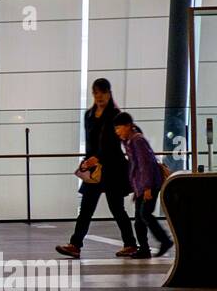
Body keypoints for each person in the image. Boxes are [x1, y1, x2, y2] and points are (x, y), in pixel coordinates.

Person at [56, 78, 137, 260]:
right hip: (94, 168)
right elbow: (91, 142)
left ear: (109, 93)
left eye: (102, 92)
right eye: (96, 93)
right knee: (86, 208)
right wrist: (87, 161)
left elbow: (113, 143)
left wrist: (97, 158)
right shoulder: (89, 115)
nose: (99, 96)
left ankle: (130, 244)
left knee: (116, 208)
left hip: (112, 168)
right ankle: (75, 245)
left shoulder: (116, 115)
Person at [113, 113, 172, 258]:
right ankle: (145, 249)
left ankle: (164, 240)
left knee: (144, 215)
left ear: (128, 126)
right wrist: (137, 189)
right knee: (140, 219)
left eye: (119, 128)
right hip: (143, 185)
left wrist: (146, 188)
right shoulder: (129, 142)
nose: (117, 131)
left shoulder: (137, 140)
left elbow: (145, 165)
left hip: (149, 185)